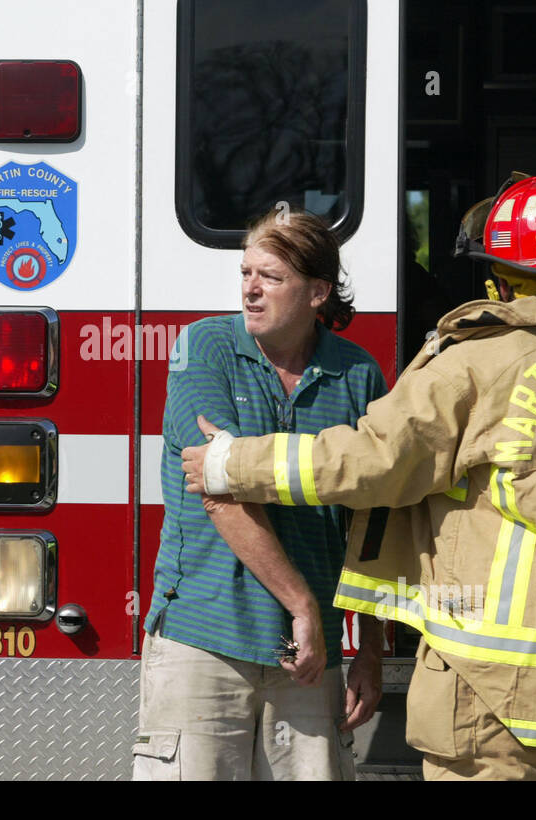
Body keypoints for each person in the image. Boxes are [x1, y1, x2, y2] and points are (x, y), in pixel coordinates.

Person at [184, 175, 536, 780]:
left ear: (500, 278)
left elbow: (373, 462)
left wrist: (234, 464)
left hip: (498, 686)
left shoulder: (475, 364)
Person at [133, 206, 387, 781]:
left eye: (270, 277)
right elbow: (220, 494)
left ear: (318, 291)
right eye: (246, 273)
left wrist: (370, 652)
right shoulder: (205, 348)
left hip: (310, 656)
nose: (250, 289)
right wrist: (304, 608)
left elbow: (374, 521)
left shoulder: (360, 375)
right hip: (203, 640)